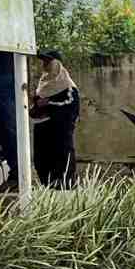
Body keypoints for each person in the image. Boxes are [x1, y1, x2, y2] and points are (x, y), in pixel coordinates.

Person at [28, 51, 80, 187]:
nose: (45, 64)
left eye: (48, 61)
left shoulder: (68, 87)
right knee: (41, 156)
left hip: (60, 129)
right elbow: (36, 108)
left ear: (57, 64)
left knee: (62, 153)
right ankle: (47, 184)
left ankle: (64, 182)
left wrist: (49, 103)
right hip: (42, 127)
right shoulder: (43, 85)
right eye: (44, 61)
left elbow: (70, 105)